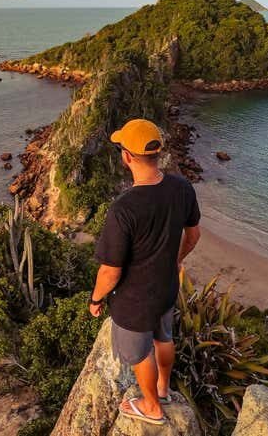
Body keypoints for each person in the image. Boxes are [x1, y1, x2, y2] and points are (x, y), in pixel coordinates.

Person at [88, 118, 201, 426]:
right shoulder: (181, 187)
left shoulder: (124, 209)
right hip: (166, 288)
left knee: (139, 355)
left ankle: (152, 406)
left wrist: (96, 299)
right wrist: (176, 260)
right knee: (164, 337)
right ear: (157, 153)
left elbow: (110, 272)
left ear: (126, 156)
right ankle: (163, 388)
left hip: (135, 301)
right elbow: (193, 236)